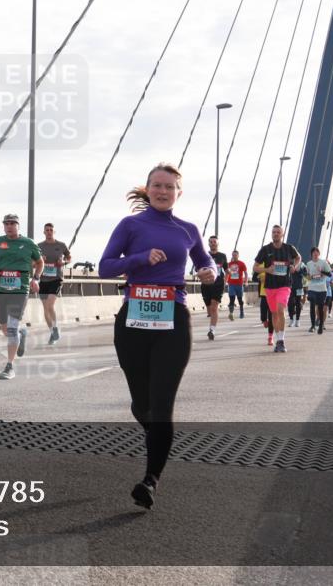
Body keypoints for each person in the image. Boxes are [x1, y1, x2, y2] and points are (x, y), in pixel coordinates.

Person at [99, 162, 217, 510]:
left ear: (179, 193)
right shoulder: (130, 225)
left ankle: (150, 480)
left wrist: (209, 270)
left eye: (170, 187)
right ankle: (156, 437)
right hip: (133, 318)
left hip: (173, 318)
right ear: (148, 189)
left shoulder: (188, 229)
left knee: (162, 406)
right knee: (142, 403)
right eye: (157, 186)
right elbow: (106, 266)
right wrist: (140, 258)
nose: (163, 191)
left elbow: (206, 262)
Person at [0, 214, 43, 380]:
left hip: (20, 288)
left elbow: (40, 262)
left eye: (12, 223)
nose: (9, 226)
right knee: (5, 329)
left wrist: (36, 278)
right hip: (1, 288)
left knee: (11, 327)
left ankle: (9, 366)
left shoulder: (28, 243)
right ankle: (22, 333)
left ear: (18, 225)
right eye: (6, 223)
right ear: (3, 226)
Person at [254, 225, 301, 353]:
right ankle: (278, 338)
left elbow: (298, 257)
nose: (275, 234)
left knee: (280, 310)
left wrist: (295, 266)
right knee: (274, 313)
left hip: (284, 285)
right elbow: (255, 267)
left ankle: (281, 341)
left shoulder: (289, 248)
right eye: (273, 232)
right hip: (270, 286)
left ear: (282, 234)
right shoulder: (265, 249)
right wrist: (267, 270)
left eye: (278, 232)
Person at [37, 223, 71, 344]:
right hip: (43, 280)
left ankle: (55, 327)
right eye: (47, 230)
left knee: (50, 305)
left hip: (56, 279)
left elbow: (69, 257)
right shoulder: (39, 246)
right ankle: (52, 331)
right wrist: (40, 261)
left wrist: (64, 262)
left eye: (51, 230)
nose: (49, 232)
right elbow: (32, 263)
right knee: (45, 308)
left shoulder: (61, 245)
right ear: (44, 232)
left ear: (54, 232)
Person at [202, 235, 228, 339]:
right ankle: (211, 325)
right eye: (211, 242)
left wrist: (225, 281)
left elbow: (226, 270)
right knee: (209, 309)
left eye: (214, 242)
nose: (213, 243)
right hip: (206, 284)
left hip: (218, 284)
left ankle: (212, 330)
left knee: (214, 307)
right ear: (209, 244)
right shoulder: (204, 255)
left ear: (217, 243)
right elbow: (199, 268)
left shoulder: (222, 256)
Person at [305, 247, 332, 334]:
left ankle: (320, 325)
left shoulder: (323, 263)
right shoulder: (308, 264)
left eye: (317, 252)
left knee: (320, 307)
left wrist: (322, 272)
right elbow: (307, 276)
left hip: (322, 288)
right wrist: (309, 278)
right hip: (312, 288)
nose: (315, 254)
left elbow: (330, 274)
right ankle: (313, 326)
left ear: (319, 254)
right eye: (314, 252)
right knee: (312, 305)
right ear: (311, 254)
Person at [227, 250, 248, 320]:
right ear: (232, 255)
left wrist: (246, 281)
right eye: (233, 255)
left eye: (236, 255)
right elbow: (226, 273)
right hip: (231, 284)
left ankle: (241, 312)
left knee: (240, 300)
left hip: (239, 284)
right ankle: (231, 313)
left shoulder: (241, 263)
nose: (234, 256)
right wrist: (225, 281)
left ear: (238, 256)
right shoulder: (229, 264)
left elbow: (246, 273)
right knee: (232, 299)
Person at [288, 263, 306, 328]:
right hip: (290, 287)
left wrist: (297, 270)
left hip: (299, 287)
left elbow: (305, 273)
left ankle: (298, 320)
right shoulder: (289, 263)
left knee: (298, 303)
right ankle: (291, 319)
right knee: (290, 303)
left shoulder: (302, 264)